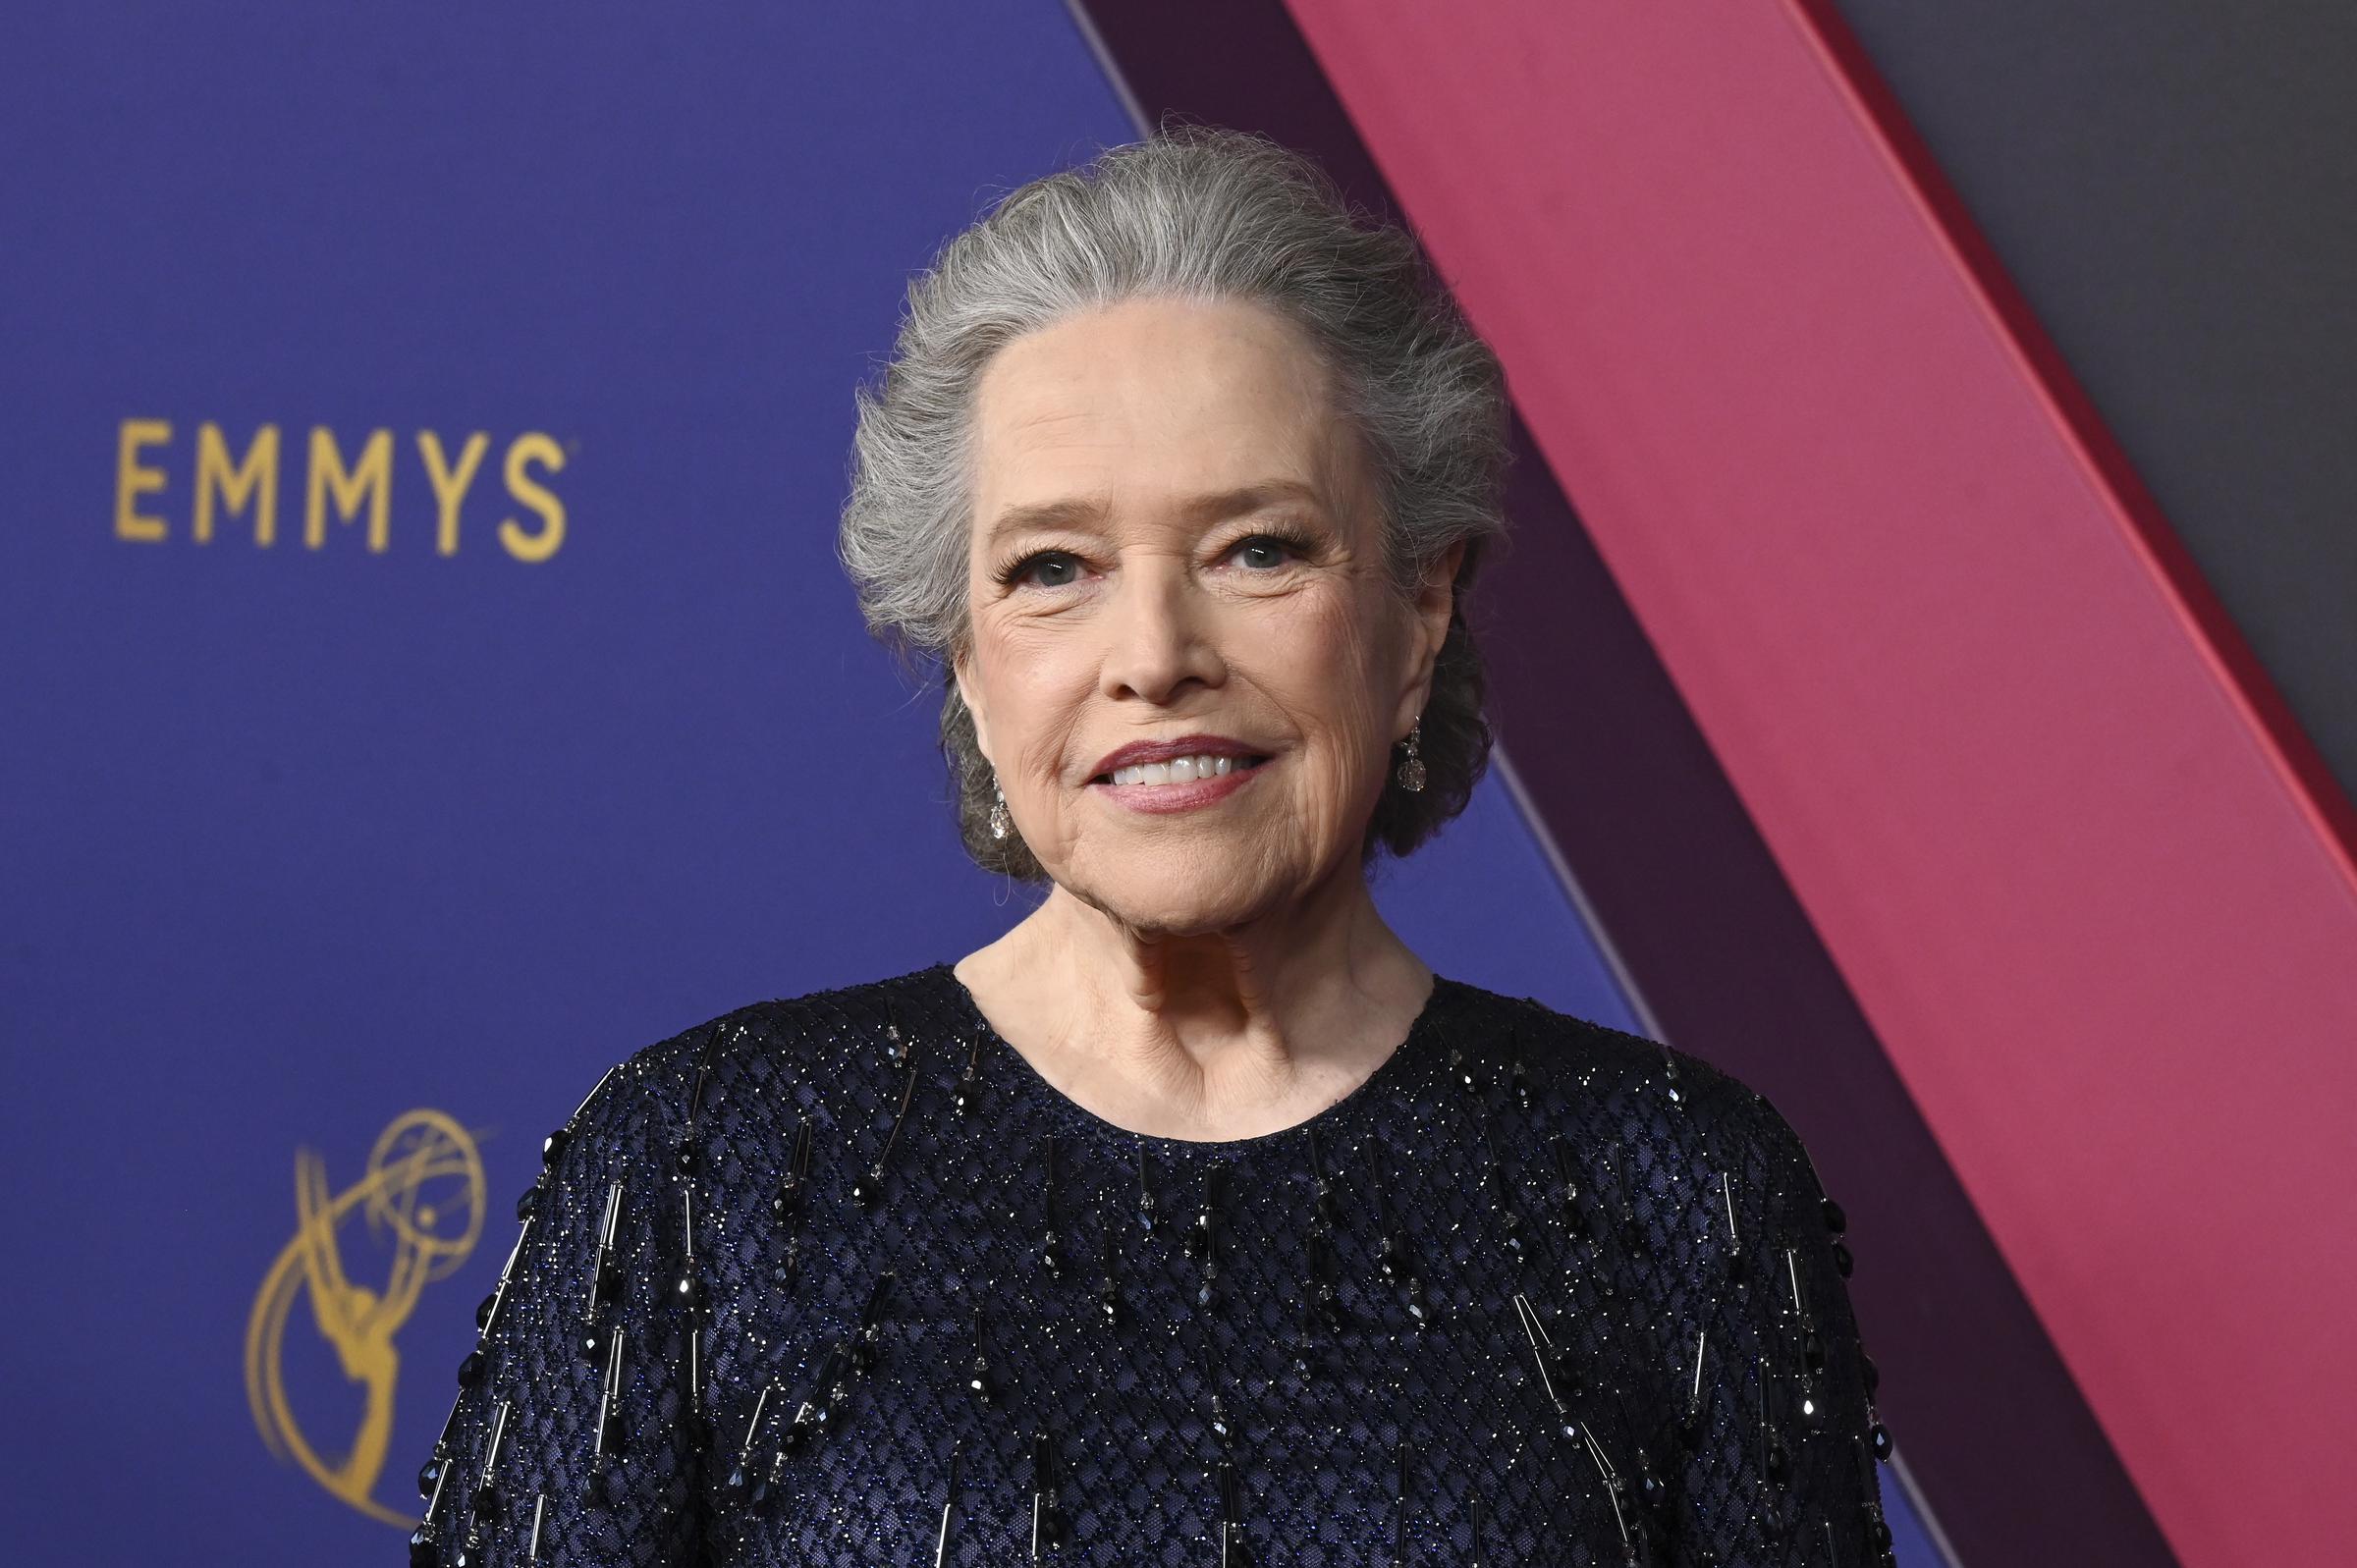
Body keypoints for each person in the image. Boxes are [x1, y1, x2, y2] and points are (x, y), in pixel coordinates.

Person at [407, 126, 1894, 1568]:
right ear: (973, 659)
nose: (1155, 654)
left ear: (1420, 605)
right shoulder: (699, 1163)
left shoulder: (1678, 1189)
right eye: (1054, 568)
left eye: (1259, 548)